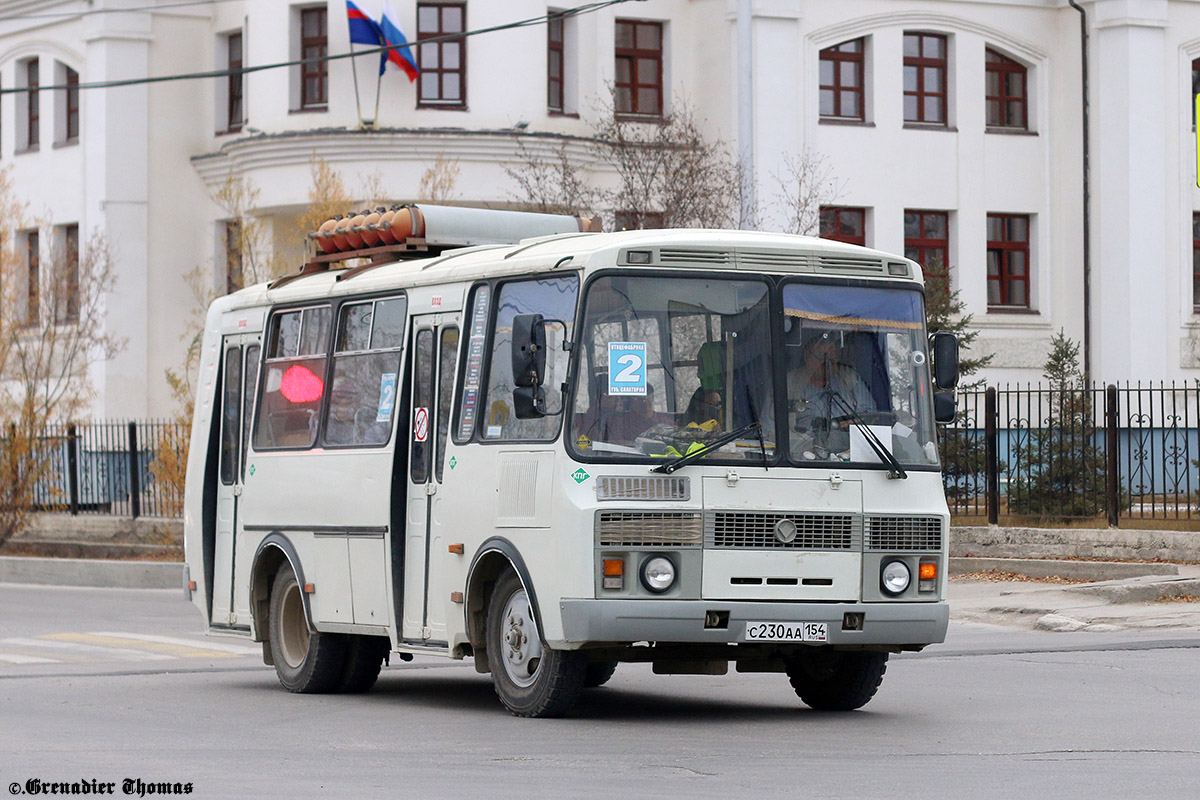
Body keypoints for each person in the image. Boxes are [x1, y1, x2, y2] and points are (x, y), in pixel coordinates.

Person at [787, 332, 874, 453]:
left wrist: (853, 423)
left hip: (848, 451)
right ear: (807, 356)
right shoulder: (789, 383)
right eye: (822, 358)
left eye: (832, 360)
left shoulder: (850, 378)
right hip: (801, 455)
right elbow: (770, 428)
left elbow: (872, 416)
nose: (827, 365)